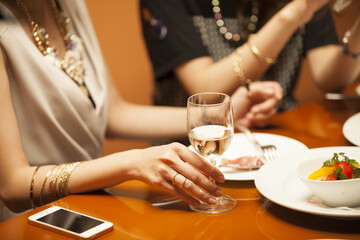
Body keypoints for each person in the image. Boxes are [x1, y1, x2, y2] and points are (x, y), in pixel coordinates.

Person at [0, 0, 282, 221]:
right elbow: (13, 186)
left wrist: (213, 118)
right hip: (29, 222)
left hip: (87, 206)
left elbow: (113, 114)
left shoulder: (67, 5)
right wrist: (131, 163)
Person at [140, 0, 360, 114]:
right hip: (192, 146)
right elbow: (206, 92)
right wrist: (292, 15)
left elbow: (330, 80)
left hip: (279, 134)